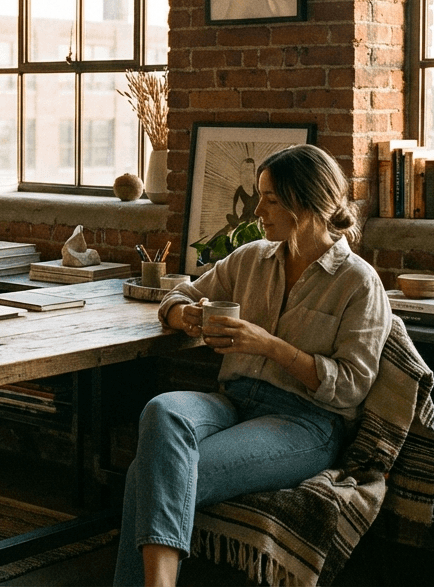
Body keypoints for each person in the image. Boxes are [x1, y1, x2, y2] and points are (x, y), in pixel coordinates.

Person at [113, 144, 391, 587]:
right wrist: (181, 315)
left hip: (304, 424)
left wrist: (270, 346)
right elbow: (178, 293)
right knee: (162, 411)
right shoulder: (250, 257)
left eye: (272, 199)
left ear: (308, 202)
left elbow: (352, 386)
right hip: (232, 402)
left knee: (148, 473)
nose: (257, 208)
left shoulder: (358, 283)